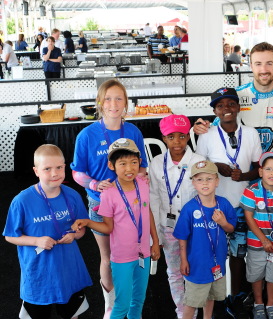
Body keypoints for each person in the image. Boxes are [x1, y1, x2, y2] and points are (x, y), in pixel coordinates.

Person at [71, 79, 148, 318]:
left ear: (126, 103)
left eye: (119, 99)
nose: (113, 104)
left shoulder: (133, 132)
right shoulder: (87, 135)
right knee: (108, 257)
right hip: (101, 203)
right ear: (100, 103)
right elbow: (76, 172)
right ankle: (111, 304)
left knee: (132, 254)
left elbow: (143, 168)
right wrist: (94, 183)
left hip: (131, 205)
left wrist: (131, 181)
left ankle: (132, 304)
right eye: (108, 99)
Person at [72, 138, 160, 319]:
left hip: (143, 253)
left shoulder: (143, 184)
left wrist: (155, 242)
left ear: (140, 162)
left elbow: (147, 212)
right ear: (111, 166)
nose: (129, 168)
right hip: (122, 258)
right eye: (123, 163)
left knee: (139, 300)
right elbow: (107, 227)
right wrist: (88, 222)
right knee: (122, 304)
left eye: (134, 162)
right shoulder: (109, 193)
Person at [3, 144, 92, 319]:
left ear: (65, 167)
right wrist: (36, 241)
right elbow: (10, 236)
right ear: (36, 171)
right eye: (47, 169)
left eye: (59, 167)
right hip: (39, 275)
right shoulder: (22, 201)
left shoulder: (73, 195)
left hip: (69, 272)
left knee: (72, 314)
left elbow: (82, 230)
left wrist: (74, 235)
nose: (54, 173)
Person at [196, 88, 262, 307]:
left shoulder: (251, 134)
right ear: (214, 111)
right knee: (213, 251)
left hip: (242, 204)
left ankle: (234, 296)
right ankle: (215, 298)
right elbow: (198, 168)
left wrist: (243, 175)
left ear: (238, 107)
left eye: (231, 104)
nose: (227, 109)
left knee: (238, 253)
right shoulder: (206, 135)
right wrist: (216, 167)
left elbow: (258, 169)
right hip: (214, 205)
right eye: (220, 106)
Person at [195, 42, 273, 153]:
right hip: (242, 166)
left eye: (269, 63)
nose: (264, 69)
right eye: (258, 64)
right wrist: (202, 127)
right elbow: (217, 126)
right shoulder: (236, 95)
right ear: (251, 66)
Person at [150, 114, 205, 319]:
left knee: (195, 270)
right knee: (174, 272)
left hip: (194, 228)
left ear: (188, 137)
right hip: (168, 227)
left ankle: (194, 309)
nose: (177, 142)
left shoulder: (199, 162)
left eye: (182, 136)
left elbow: (205, 197)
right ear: (164, 138)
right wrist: (155, 234)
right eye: (171, 137)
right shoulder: (156, 164)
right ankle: (182, 312)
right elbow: (154, 199)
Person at [173, 160, 236, 319]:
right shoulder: (190, 208)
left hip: (217, 263)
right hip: (197, 265)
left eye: (209, 178)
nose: (205, 183)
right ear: (193, 183)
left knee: (211, 297)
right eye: (199, 179)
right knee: (192, 302)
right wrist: (183, 260)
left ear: (217, 181)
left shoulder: (224, 204)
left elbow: (231, 228)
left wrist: (223, 223)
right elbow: (182, 237)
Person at [239, 152, 273, 319]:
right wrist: (264, 240)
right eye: (268, 169)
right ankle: (258, 303)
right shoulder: (251, 191)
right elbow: (249, 218)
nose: (272, 173)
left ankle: (271, 304)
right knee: (256, 274)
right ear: (260, 172)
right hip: (256, 245)